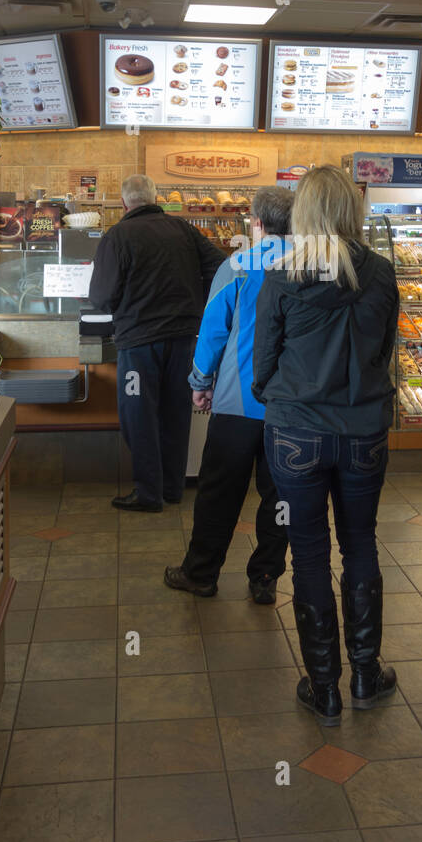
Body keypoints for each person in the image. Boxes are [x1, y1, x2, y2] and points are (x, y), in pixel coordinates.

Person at [252, 165, 399, 726]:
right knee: (360, 543)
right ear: (352, 211)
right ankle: (366, 673)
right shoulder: (381, 275)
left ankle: (324, 688)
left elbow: (264, 356)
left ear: (305, 212)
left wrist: (275, 394)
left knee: (308, 552)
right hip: (364, 430)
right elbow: (383, 349)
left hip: (295, 432)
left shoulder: (282, 274)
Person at [163, 186, 295, 605]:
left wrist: (200, 383)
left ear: (256, 223)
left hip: (237, 400)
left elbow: (214, 331)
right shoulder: (314, 265)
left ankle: (201, 573)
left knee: (219, 492)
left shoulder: (239, 264)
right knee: (280, 497)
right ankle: (265, 578)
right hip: (291, 407)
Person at [87, 173, 224, 512]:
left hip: (138, 343)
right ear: (155, 198)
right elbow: (222, 266)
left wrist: (126, 304)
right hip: (183, 339)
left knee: (139, 415)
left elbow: (101, 296)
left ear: (124, 203)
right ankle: (173, 487)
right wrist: (196, 300)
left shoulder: (117, 235)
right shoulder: (183, 229)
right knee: (176, 412)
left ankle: (148, 493)